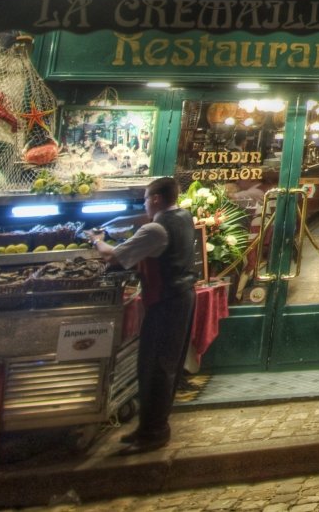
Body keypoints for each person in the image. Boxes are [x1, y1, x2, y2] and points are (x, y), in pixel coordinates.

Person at [93, 177, 198, 453]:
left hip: (167, 301)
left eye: (145, 198)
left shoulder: (156, 229)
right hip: (180, 296)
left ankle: (154, 433)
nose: (143, 203)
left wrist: (96, 240)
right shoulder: (183, 216)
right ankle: (148, 427)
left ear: (155, 199)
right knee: (159, 366)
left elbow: (113, 256)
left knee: (156, 367)